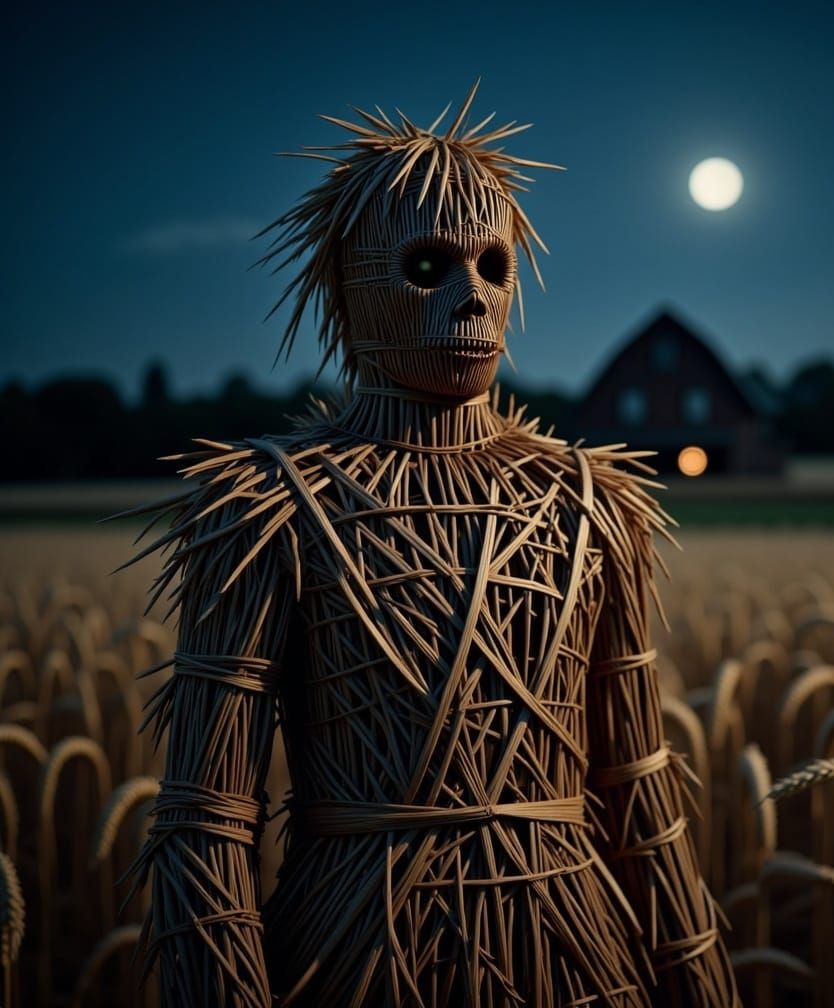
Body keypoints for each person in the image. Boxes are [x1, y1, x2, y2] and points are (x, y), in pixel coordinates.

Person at [127, 81, 739, 1007]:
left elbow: (643, 805)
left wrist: (697, 978)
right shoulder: (266, 509)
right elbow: (207, 825)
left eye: (494, 267)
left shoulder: (593, 504)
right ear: (352, 286)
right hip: (354, 954)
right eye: (427, 267)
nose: (472, 300)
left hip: (580, 963)